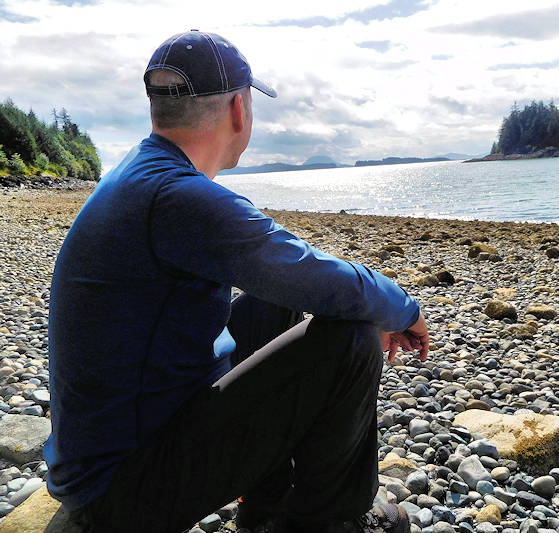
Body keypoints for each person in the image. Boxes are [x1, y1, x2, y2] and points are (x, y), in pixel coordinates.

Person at [44, 29, 429, 533]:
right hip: (120, 493)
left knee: (277, 306)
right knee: (352, 341)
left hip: (119, 451)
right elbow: (315, 273)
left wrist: (364, 305)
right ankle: (326, 523)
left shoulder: (144, 174)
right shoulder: (176, 197)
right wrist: (402, 309)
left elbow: (297, 279)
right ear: (238, 110)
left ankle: (268, 507)